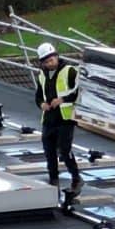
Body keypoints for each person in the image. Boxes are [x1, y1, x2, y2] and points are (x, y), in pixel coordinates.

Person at [35, 39, 81, 198]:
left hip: (65, 118)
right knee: (49, 151)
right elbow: (38, 95)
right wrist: (41, 104)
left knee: (64, 149)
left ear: (56, 56)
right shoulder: (42, 75)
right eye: (46, 62)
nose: (50, 63)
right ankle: (53, 180)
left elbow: (78, 93)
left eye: (52, 59)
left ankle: (76, 178)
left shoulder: (69, 71)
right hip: (49, 118)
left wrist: (62, 99)